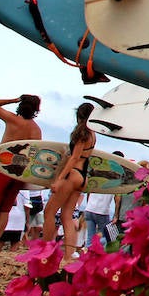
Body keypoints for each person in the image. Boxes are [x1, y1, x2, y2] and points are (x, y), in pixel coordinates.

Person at [0, 95, 43, 253]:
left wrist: (15, 100)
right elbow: (35, 155)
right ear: (36, 109)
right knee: (5, 210)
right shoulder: (36, 129)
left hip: (2, 167)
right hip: (19, 172)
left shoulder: (12, 120)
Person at [43, 102, 96, 260]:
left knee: (49, 212)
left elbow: (74, 157)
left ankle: (45, 250)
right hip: (83, 176)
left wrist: (59, 179)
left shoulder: (82, 132)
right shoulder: (93, 134)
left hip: (73, 174)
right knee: (67, 216)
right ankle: (68, 256)